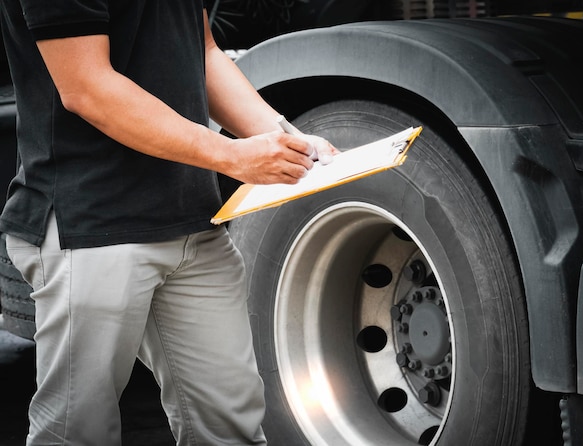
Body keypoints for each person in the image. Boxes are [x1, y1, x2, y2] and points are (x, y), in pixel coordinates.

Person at [0, 0, 337, 444]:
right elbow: (86, 86)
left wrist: (287, 140)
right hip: (93, 227)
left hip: (192, 222)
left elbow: (202, 52)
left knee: (230, 427)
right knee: (76, 433)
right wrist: (234, 156)